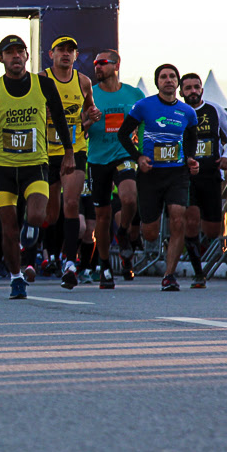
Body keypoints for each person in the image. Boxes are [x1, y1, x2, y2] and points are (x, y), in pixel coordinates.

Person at [0, 35, 75, 300]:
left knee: (37, 215)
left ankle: (31, 235)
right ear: (1, 58)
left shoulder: (43, 84)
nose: (15, 56)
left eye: (19, 52)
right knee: (9, 230)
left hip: (35, 163)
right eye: (9, 52)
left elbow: (59, 118)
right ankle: (16, 278)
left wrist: (69, 153)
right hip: (3, 168)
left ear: (27, 56)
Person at [117, 64, 200, 291]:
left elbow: (191, 139)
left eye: (172, 76)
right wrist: (138, 157)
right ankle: (132, 236)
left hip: (177, 173)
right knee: (150, 233)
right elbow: (123, 134)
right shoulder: (143, 106)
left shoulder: (188, 112)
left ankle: (169, 276)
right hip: (150, 174)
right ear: (158, 82)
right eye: (163, 77)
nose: (168, 80)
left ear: (178, 83)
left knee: (177, 218)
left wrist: (191, 159)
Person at [41, 36, 100, 289]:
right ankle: (48, 252)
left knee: (72, 203)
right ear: (51, 55)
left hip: (75, 150)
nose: (66, 54)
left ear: (76, 56)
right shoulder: (40, 80)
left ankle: (69, 262)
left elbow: (88, 113)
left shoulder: (83, 81)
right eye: (61, 50)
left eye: (70, 51)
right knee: (50, 211)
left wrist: (91, 118)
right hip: (46, 152)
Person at [83, 49, 144, 288]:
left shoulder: (134, 93)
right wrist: (89, 121)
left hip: (124, 154)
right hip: (98, 159)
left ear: (116, 65)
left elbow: (143, 123)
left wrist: (141, 154)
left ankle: (125, 231)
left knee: (129, 198)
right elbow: (80, 127)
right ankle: (105, 265)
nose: (97, 67)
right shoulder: (90, 94)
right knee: (103, 215)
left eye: (103, 63)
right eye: (95, 63)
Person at [180, 72, 227, 288]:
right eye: (188, 88)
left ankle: (202, 253)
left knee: (213, 230)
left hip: (212, 175)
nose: (193, 91)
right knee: (191, 220)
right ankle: (198, 274)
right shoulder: (177, 111)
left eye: (196, 87)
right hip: (187, 177)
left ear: (202, 90)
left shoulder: (214, 109)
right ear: (181, 92)